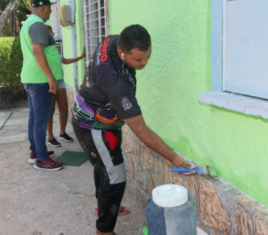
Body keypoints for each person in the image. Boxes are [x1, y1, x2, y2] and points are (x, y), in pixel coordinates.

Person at [72, 25, 193, 235]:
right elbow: (140, 129)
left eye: (147, 56)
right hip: (93, 126)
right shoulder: (118, 85)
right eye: (138, 60)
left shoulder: (112, 40)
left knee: (104, 167)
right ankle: (103, 231)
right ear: (122, 52)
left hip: (102, 116)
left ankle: (106, 205)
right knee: (115, 175)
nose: (144, 63)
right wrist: (173, 158)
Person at [20, 0, 63, 172]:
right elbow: (38, 52)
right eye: (50, 10)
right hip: (39, 80)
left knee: (34, 118)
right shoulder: (37, 24)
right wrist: (50, 77)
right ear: (44, 7)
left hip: (31, 78)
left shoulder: (28, 23)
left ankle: (35, 152)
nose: (50, 14)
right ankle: (42, 159)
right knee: (41, 119)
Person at [45, 25, 86, 147]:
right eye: (49, 32)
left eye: (52, 32)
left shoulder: (53, 49)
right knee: (50, 111)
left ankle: (62, 133)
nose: (52, 34)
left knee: (64, 108)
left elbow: (65, 61)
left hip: (60, 81)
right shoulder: (41, 50)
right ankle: (50, 137)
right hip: (49, 83)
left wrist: (81, 57)